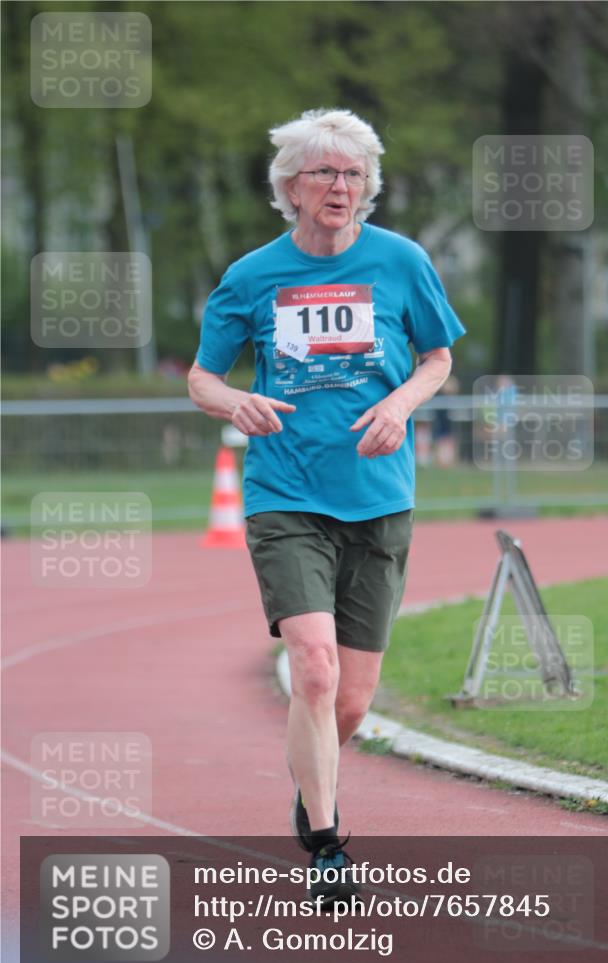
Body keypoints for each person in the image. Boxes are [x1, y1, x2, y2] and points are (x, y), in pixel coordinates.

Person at [188, 108, 466, 905]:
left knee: (349, 700)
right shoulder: (252, 276)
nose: (340, 186)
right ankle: (327, 838)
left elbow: (438, 356)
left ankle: (311, 781)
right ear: (290, 187)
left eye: (352, 175)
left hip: (378, 497)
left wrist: (401, 405)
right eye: (324, 173)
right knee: (313, 668)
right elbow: (203, 376)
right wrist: (232, 402)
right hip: (286, 492)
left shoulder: (400, 262)